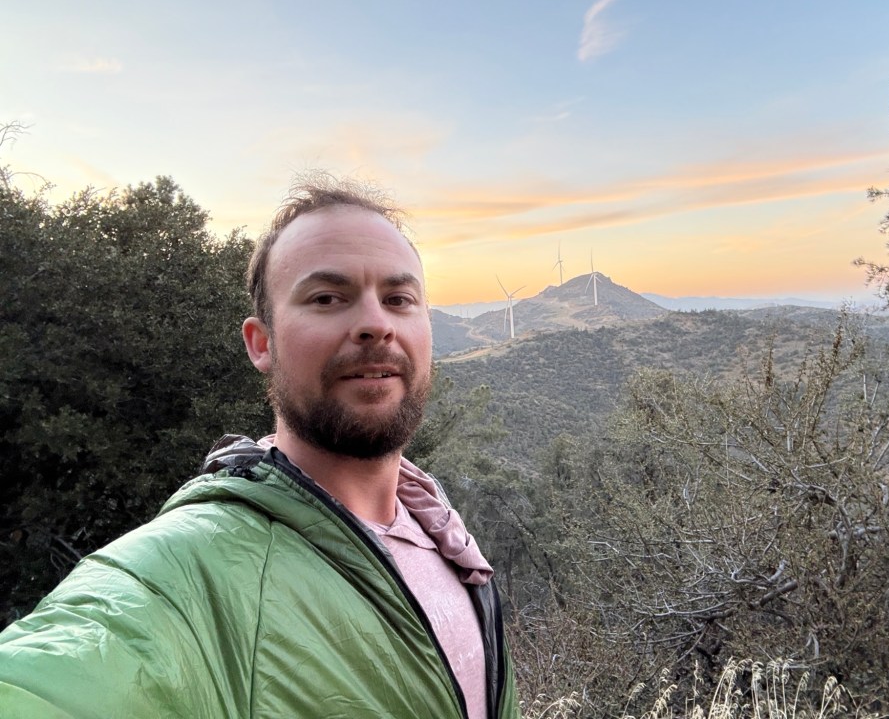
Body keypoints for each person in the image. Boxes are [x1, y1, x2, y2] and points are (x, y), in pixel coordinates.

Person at [0, 177, 520, 719]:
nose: (375, 323)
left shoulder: (441, 530)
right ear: (261, 344)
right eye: (327, 298)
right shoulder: (190, 572)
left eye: (398, 299)